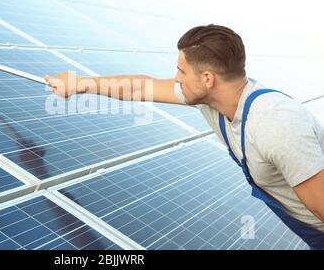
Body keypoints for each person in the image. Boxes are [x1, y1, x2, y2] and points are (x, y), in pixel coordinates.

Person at [44, 24, 324, 249]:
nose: (175, 78)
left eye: (180, 71)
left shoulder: (275, 126)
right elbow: (141, 88)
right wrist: (80, 85)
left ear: (207, 78)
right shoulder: (212, 97)